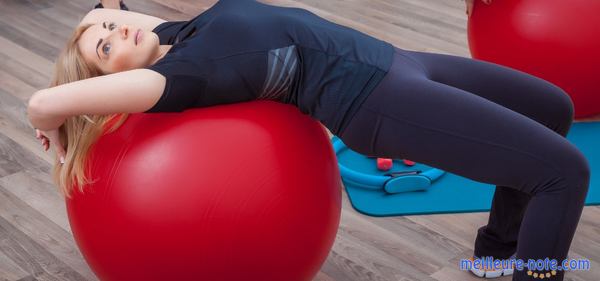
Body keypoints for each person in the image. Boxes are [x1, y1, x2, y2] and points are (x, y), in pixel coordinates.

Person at [27, 1, 590, 280]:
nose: (111, 29)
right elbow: (43, 103)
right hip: (379, 102)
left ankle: (496, 252)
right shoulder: (176, 79)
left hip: (401, 62)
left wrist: (102, 29)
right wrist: (53, 116)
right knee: (563, 174)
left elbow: (110, 10)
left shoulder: (178, 33)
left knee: (553, 108)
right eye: (102, 47)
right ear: (114, 79)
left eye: (104, 22)